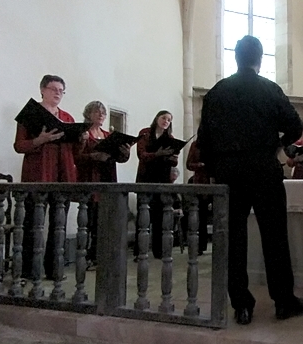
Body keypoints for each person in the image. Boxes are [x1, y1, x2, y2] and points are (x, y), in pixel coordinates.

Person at [197, 35, 303, 325]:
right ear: (259, 59)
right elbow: (296, 127)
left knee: (233, 238)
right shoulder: (269, 89)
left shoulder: (217, 92)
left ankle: (242, 305)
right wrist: (278, 146)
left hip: (228, 173)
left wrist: (216, 168)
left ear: (235, 58)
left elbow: (204, 141)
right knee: (275, 236)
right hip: (263, 169)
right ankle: (284, 301)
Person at [13, 74, 85, 282]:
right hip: (37, 175)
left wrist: (80, 139)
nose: (58, 93)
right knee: (33, 224)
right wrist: (39, 140)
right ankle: (29, 271)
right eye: (54, 89)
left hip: (63, 176)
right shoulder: (30, 115)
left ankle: (54, 269)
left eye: (61, 90)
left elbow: (76, 153)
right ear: (42, 89)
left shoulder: (68, 118)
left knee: (58, 225)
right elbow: (19, 146)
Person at [75, 101, 131, 269]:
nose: (101, 115)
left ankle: (100, 256)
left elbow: (119, 159)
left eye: (103, 113)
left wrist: (126, 152)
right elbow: (76, 158)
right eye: (96, 112)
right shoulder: (83, 134)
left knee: (105, 222)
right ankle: (86, 258)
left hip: (108, 179)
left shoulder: (108, 135)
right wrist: (93, 156)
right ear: (88, 114)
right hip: (91, 180)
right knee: (90, 221)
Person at [135, 110, 179, 260]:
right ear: (157, 118)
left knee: (160, 216)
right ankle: (139, 251)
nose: (166, 121)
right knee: (143, 217)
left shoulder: (170, 138)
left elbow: (174, 161)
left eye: (169, 120)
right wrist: (157, 154)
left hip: (162, 179)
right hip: (146, 177)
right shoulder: (145, 133)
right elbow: (141, 154)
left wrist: (172, 155)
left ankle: (158, 251)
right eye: (163, 118)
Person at [186, 140, 211, 255]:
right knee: (201, 217)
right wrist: (199, 165)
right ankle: (200, 246)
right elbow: (189, 164)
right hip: (201, 182)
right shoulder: (196, 144)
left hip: (217, 180)